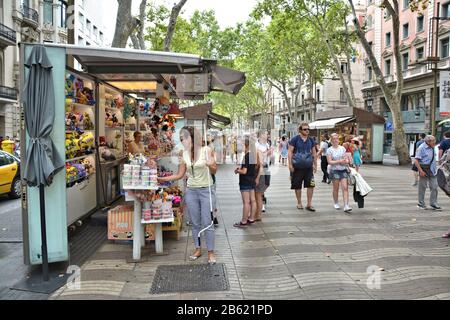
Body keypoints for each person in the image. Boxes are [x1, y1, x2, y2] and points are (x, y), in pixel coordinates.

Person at [158, 126, 218, 264]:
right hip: (191, 191)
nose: (182, 141)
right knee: (195, 222)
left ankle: (210, 252)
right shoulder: (182, 154)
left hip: (206, 190)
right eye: (180, 139)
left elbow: (215, 171)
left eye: (184, 138)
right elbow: (180, 174)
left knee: (208, 222)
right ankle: (197, 248)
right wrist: (162, 179)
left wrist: (210, 165)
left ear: (192, 137)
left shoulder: (206, 150)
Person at [288, 123, 317, 211]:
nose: (307, 131)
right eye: (305, 129)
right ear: (300, 130)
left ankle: (309, 204)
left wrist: (315, 164)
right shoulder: (294, 139)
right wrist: (290, 165)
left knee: (311, 185)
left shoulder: (311, 140)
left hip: (308, 167)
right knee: (297, 185)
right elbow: (290, 152)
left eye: (308, 129)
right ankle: (299, 203)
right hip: (297, 166)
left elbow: (314, 152)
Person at [233, 136, 259, 228]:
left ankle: (244, 221)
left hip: (245, 182)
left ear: (246, 145)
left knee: (246, 202)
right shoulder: (253, 155)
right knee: (253, 200)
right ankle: (251, 218)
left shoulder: (247, 156)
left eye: (242, 145)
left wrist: (237, 171)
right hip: (252, 180)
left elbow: (244, 171)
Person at [415, 135, 442, 211]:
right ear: (428, 141)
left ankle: (433, 203)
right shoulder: (421, 148)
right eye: (433, 141)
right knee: (422, 187)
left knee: (434, 186)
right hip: (424, 169)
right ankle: (421, 203)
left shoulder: (432, 147)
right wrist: (420, 171)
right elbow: (416, 160)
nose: (434, 142)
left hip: (432, 170)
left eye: (434, 141)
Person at [327, 133, 352, 212]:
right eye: (333, 138)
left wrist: (347, 163)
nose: (335, 140)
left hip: (343, 169)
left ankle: (346, 205)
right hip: (334, 171)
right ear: (331, 140)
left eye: (336, 138)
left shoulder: (342, 148)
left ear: (338, 139)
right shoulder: (329, 150)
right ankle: (336, 202)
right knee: (336, 188)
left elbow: (345, 159)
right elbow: (330, 162)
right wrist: (339, 161)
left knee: (345, 187)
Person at [255, 130, 271, 219]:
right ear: (261, 135)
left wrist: (270, 154)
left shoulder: (267, 144)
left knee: (266, 184)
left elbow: (269, 157)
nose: (267, 135)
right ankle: (261, 205)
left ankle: (261, 200)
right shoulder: (256, 145)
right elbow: (256, 158)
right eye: (266, 134)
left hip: (266, 167)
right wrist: (267, 153)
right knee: (260, 188)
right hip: (260, 168)